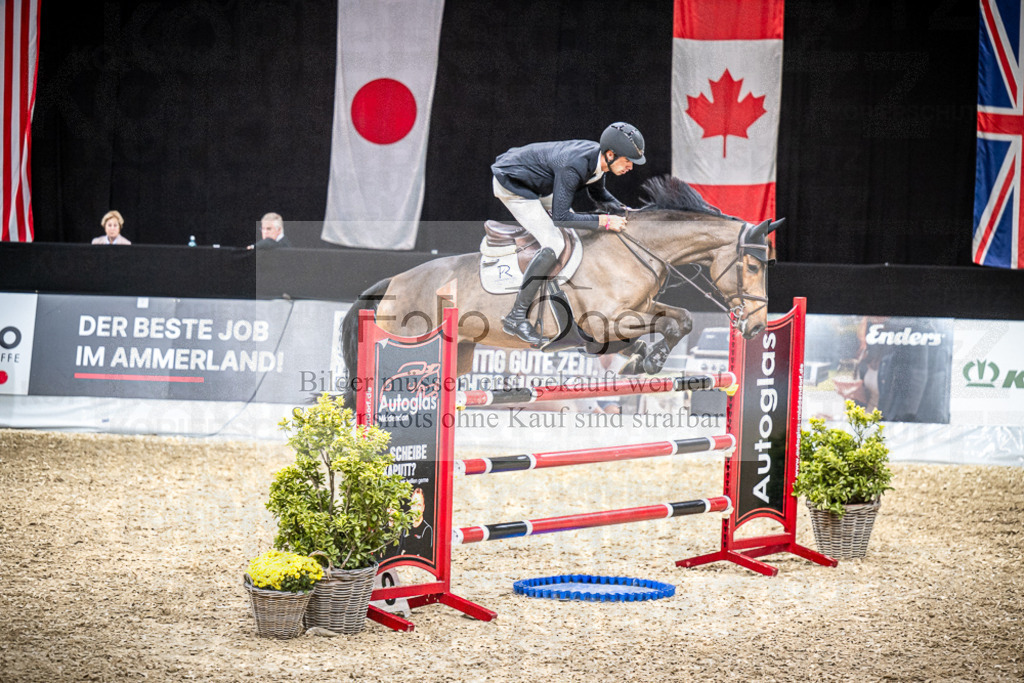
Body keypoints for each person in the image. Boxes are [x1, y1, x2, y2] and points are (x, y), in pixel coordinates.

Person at [491, 122, 645, 345]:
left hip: (539, 184)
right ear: (610, 154)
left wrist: (625, 211)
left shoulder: (597, 160)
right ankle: (516, 316)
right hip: (515, 186)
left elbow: (598, 192)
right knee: (554, 243)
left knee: (575, 236)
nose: (631, 167)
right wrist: (605, 221)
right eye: (628, 160)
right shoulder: (575, 165)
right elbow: (561, 218)